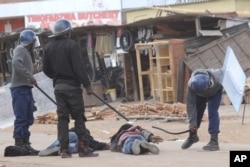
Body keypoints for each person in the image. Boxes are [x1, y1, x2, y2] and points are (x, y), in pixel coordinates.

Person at [42, 19, 99, 158]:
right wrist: (87, 85)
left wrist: (56, 77)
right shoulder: (72, 45)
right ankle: (83, 149)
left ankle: (64, 150)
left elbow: (46, 70)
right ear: (67, 33)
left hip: (58, 89)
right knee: (79, 117)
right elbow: (79, 68)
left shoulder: (48, 48)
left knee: (62, 119)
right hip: (72, 88)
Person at [10, 29, 40, 155]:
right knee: (21, 117)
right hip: (20, 89)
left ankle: (26, 143)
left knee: (28, 117)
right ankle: (20, 143)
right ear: (29, 42)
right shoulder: (20, 50)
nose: (35, 45)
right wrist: (29, 76)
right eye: (34, 42)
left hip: (26, 89)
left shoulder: (26, 52)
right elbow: (16, 63)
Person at [181, 68, 223, 151]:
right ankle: (193, 136)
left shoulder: (218, 76)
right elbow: (190, 105)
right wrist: (192, 123)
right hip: (199, 94)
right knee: (197, 110)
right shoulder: (191, 85)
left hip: (215, 91)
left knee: (212, 112)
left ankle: (214, 141)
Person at [38, 128, 110, 156]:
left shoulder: (71, 131)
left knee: (63, 141)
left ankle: (52, 148)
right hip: (73, 135)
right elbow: (97, 144)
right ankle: (65, 148)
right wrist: (107, 145)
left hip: (66, 136)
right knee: (75, 146)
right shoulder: (83, 136)